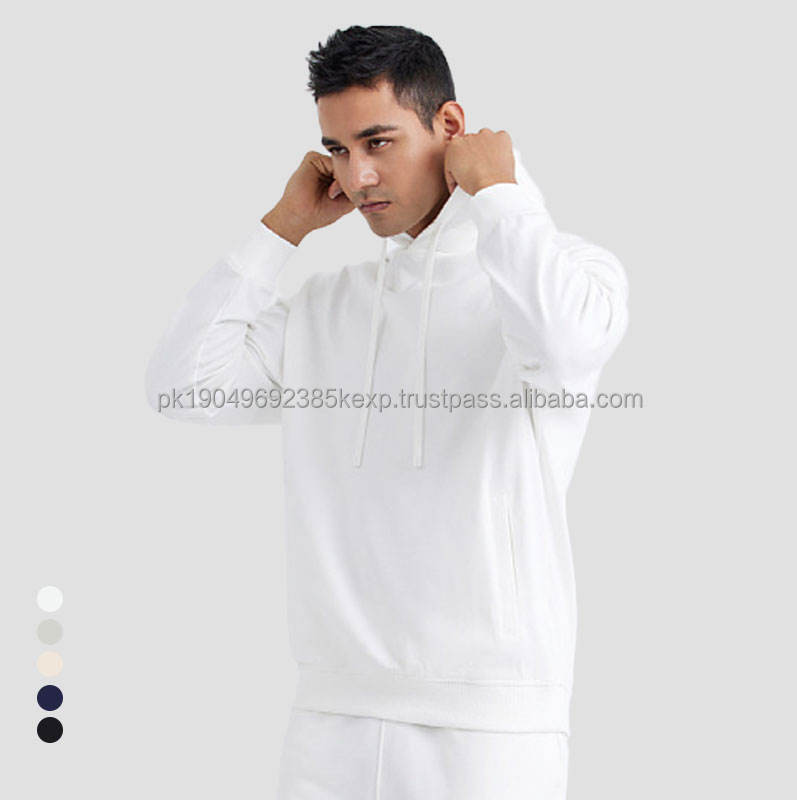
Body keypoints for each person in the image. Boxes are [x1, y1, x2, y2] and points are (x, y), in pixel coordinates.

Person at [144, 24, 629, 800]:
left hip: (491, 728)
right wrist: (284, 227)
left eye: (378, 141)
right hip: (328, 718)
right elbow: (181, 383)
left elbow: (565, 344)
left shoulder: (567, 275)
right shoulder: (327, 307)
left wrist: (502, 193)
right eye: (337, 150)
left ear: (450, 126)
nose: (358, 174)